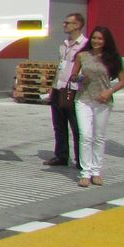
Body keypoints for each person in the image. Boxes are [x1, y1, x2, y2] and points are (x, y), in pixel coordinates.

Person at [70, 25, 124, 188]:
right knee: (85, 135)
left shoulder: (112, 58)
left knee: (99, 137)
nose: (96, 41)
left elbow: (122, 81)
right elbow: (73, 77)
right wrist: (79, 78)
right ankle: (85, 173)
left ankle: (96, 171)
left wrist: (109, 91)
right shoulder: (82, 56)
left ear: (106, 41)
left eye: (100, 38)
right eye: (94, 38)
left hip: (103, 101)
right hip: (83, 99)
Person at [44, 13, 87, 169]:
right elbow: (60, 66)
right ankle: (61, 155)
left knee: (76, 126)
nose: (64, 25)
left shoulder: (84, 46)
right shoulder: (64, 45)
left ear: (77, 25)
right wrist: (52, 86)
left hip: (74, 90)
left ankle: (81, 159)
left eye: (68, 23)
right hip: (59, 88)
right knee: (59, 125)